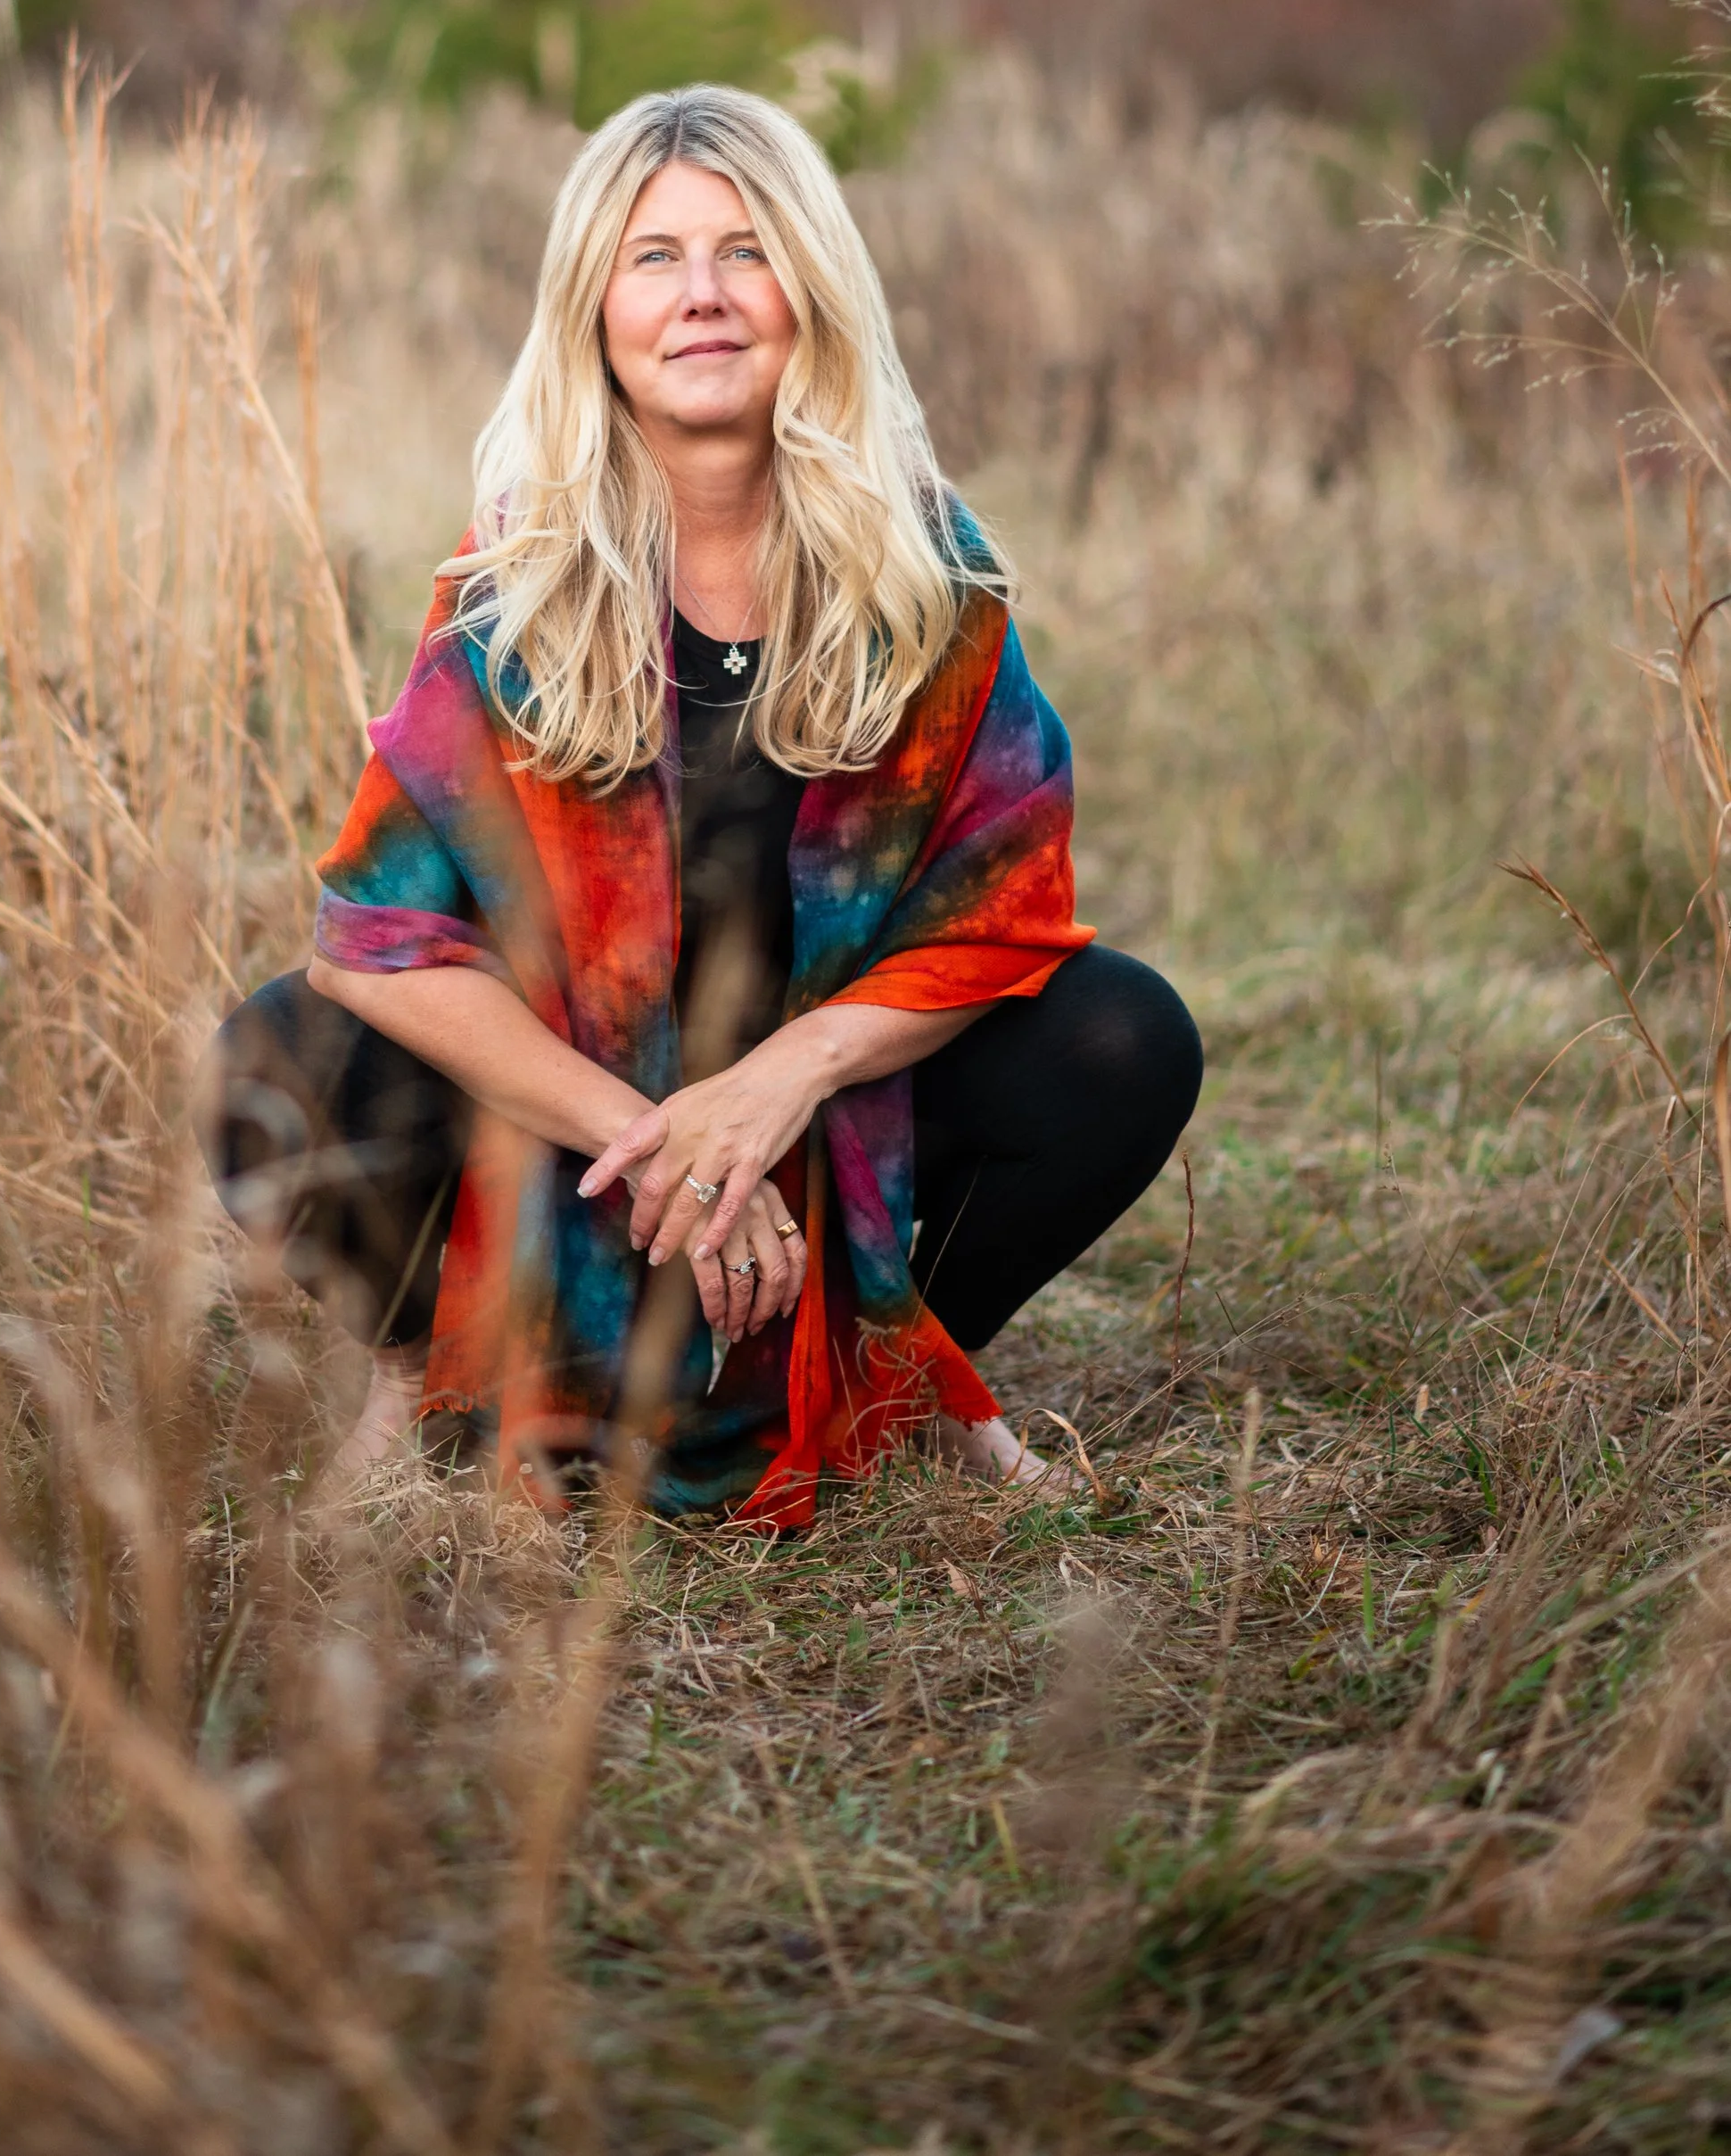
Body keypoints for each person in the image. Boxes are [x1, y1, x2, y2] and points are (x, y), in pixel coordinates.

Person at [205, 87, 1199, 1527]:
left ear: (811, 291)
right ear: (593, 308)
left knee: (1125, 1036)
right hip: (573, 1121)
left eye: (746, 252)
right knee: (276, 1061)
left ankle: (896, 1368)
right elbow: (379, 940)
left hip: (829, 1110)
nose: (703, 298)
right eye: (653, 257)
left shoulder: (928, 580)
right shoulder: (512, 595)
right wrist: (660, 1141)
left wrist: (775, 1084)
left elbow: (1000, 917)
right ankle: (423, 1364)